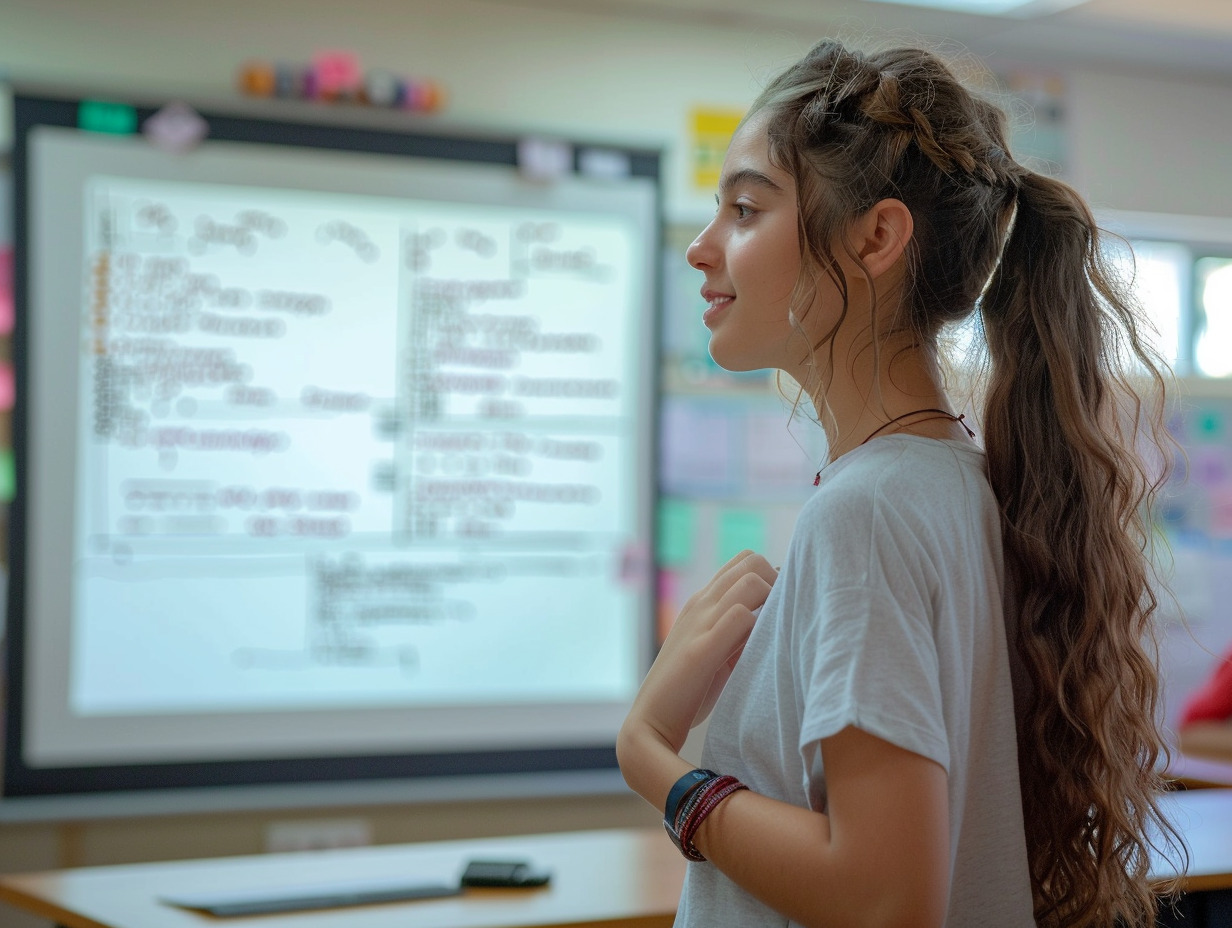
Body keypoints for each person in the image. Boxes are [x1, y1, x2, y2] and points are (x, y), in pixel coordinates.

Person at [616, 38, 1184, 928]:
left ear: (876, 236)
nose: (701, 247)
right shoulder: (956, 488)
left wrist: (655, 758)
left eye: (744, 210)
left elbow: (886, 898)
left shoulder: (869, 512)